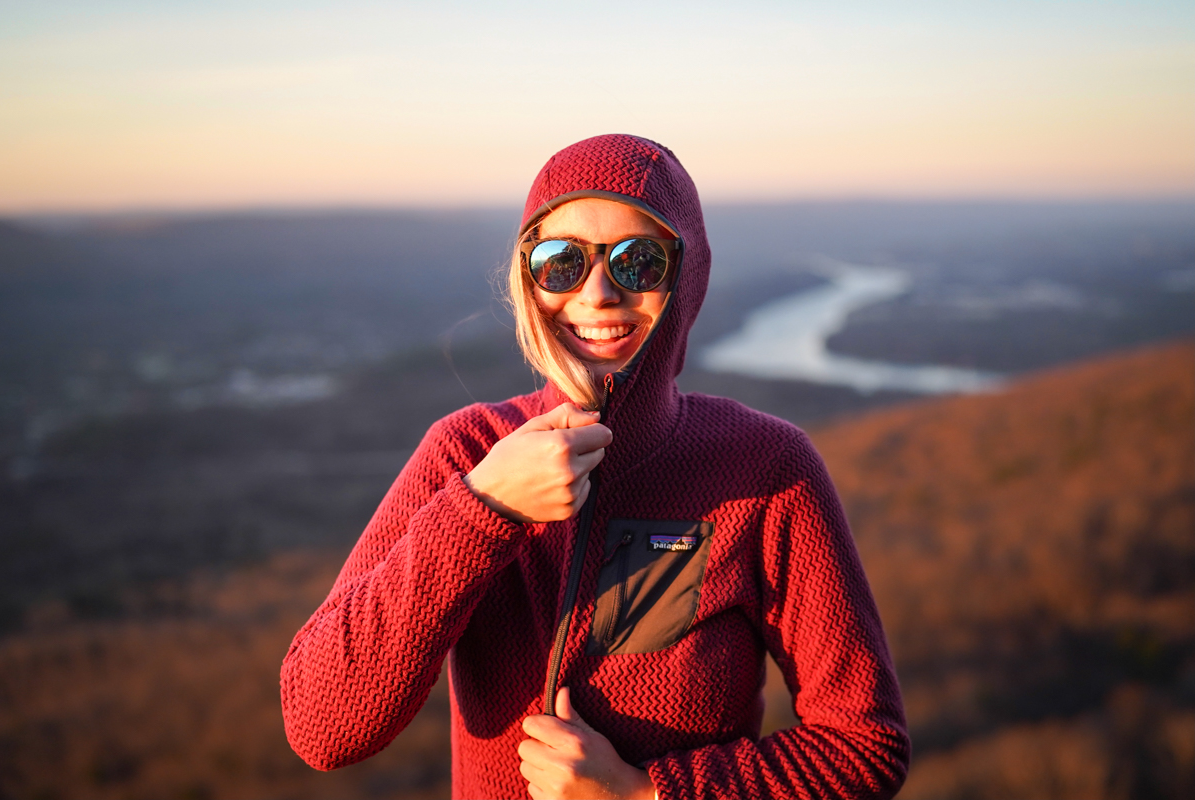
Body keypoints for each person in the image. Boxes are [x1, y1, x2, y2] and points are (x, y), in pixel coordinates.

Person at [280, 134, 910, 799]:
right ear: (530, 277)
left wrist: (647, 794)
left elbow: (864, 744)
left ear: (686, 275)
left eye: (639, 261)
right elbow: (323, 729)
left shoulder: (765, 468)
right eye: (562, 261)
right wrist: (483, 508)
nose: (599, 292)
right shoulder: (466, 455)